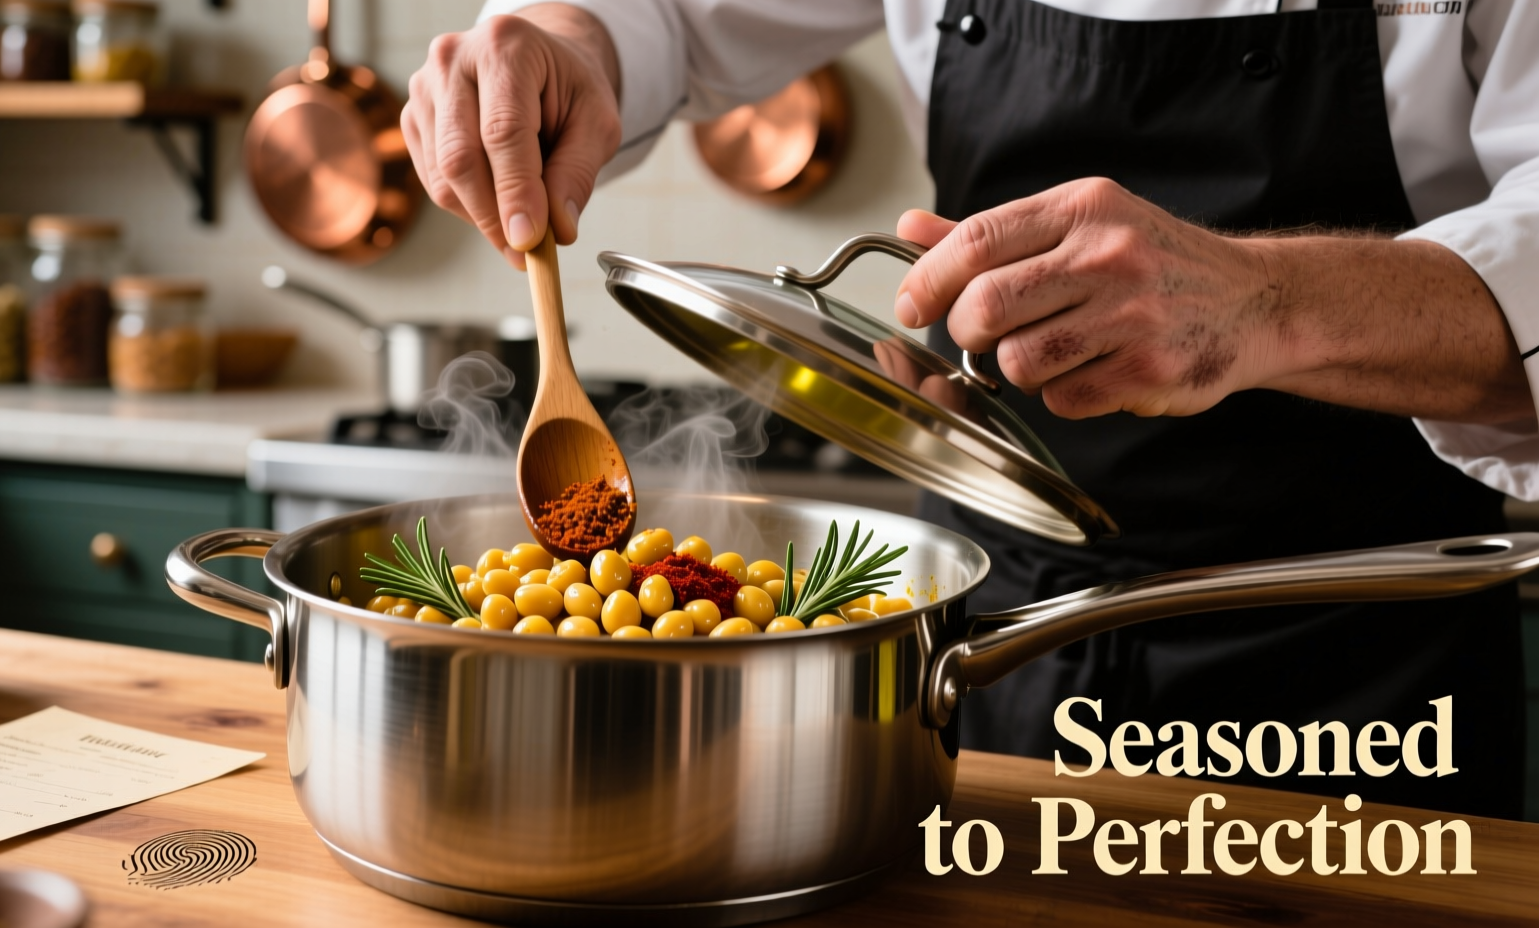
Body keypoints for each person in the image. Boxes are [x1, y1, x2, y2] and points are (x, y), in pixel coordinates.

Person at [401, 0, 1539, 818]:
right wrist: (564, 38)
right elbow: (671, 20)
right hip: (994, 643)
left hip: (1355, 651)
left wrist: (1267, 302)